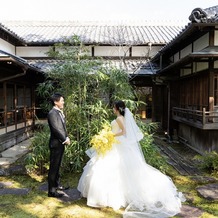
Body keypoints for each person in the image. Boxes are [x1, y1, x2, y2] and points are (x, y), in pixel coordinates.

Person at [77, 100, 185, 217]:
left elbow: (124, 132)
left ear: (118, 109)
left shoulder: (119, 119)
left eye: (114, 108)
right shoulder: (121, 118)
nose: (113, 109)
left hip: (116, 143)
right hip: (115, 143)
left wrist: (110, 135)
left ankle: (108, 196)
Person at [47, 93, 70, 198]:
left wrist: (66, 137)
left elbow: (62, 127)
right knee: (53, 167)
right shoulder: (52, 113)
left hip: (60, 143)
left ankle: (57, 185)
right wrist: (64, 138)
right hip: (56, 144)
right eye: (62, 100)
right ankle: (51, 191)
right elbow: (56, 129)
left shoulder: (58, 112)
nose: (63, 102)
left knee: (57, 166)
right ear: (56, 102)